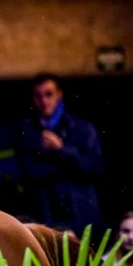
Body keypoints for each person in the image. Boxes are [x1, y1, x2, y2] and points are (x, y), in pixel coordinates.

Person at [13, 74, 103, 240]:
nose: (44, 100)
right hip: (45, 211)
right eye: (39, 96)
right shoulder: (27, 130)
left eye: (49, 94)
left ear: (59, 95)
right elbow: (28, 172)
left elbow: (94, 168)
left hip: (79, 211)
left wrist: (61, 149)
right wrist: (66, 167)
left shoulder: (82, 128)